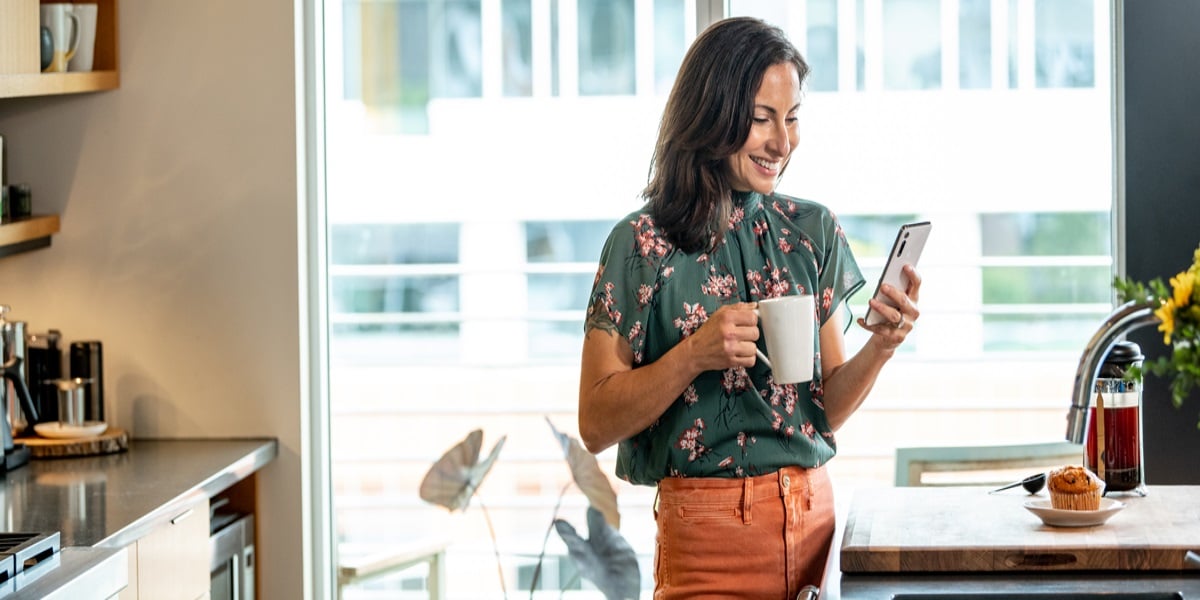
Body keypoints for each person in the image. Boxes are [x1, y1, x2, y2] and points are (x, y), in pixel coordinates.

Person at [577, 16, 921, 598]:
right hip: (707, 543)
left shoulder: (811, 230)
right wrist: (693, 355)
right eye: (762, 120)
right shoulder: (640, 245)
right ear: (711, 114)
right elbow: (594, 423)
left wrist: (882, 346)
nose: (781, 144)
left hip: (814, 525)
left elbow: (821, 408)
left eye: (791, 120)